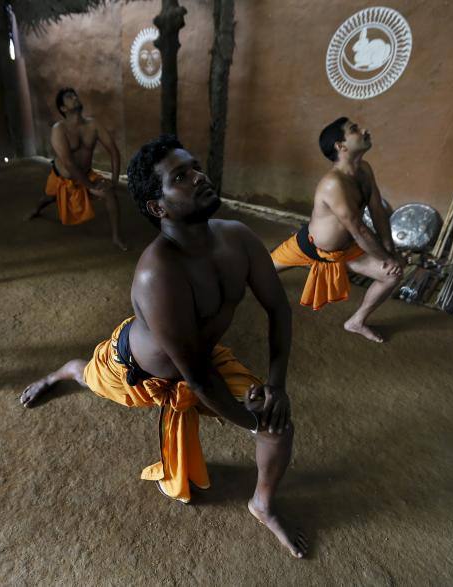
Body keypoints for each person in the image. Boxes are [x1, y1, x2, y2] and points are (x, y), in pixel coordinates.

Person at [20, 135, 307, 558]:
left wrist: (276, 388)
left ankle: (262, 505)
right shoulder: (158, 273)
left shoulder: (239, 238)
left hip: (202, 356)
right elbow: (198, 378)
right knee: (87, 376)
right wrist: (249, 419)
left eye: (194, 167)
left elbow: (279, 310)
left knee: (278, 424)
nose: (199, 177)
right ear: (159, 207)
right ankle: (62, 371)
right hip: (134, 369)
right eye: (181, 176)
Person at [271, 117, 404, 343]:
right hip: (310, 247)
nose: (365, 129)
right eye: (355, 130)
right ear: (340, 146)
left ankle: (356, 322)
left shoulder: (364, 170)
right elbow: (359, 230)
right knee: (260, 269)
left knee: (392, 275)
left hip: (348, 251)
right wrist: (386, 258)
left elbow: (377, 211)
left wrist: (389, 252)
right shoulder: (333, 183)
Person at [27, 88, 127, 251]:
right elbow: (69, 163)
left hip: (87, 175)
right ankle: (36, 209)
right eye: (69, 97)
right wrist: (90, 186)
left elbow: (113, 151)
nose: (74, 97)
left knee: (109, 193)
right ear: (63, 108)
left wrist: (114, 181)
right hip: (62, 178)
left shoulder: (93, 125)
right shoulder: (59, 129)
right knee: (48, 198)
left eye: (74, 95)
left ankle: (116, 237)